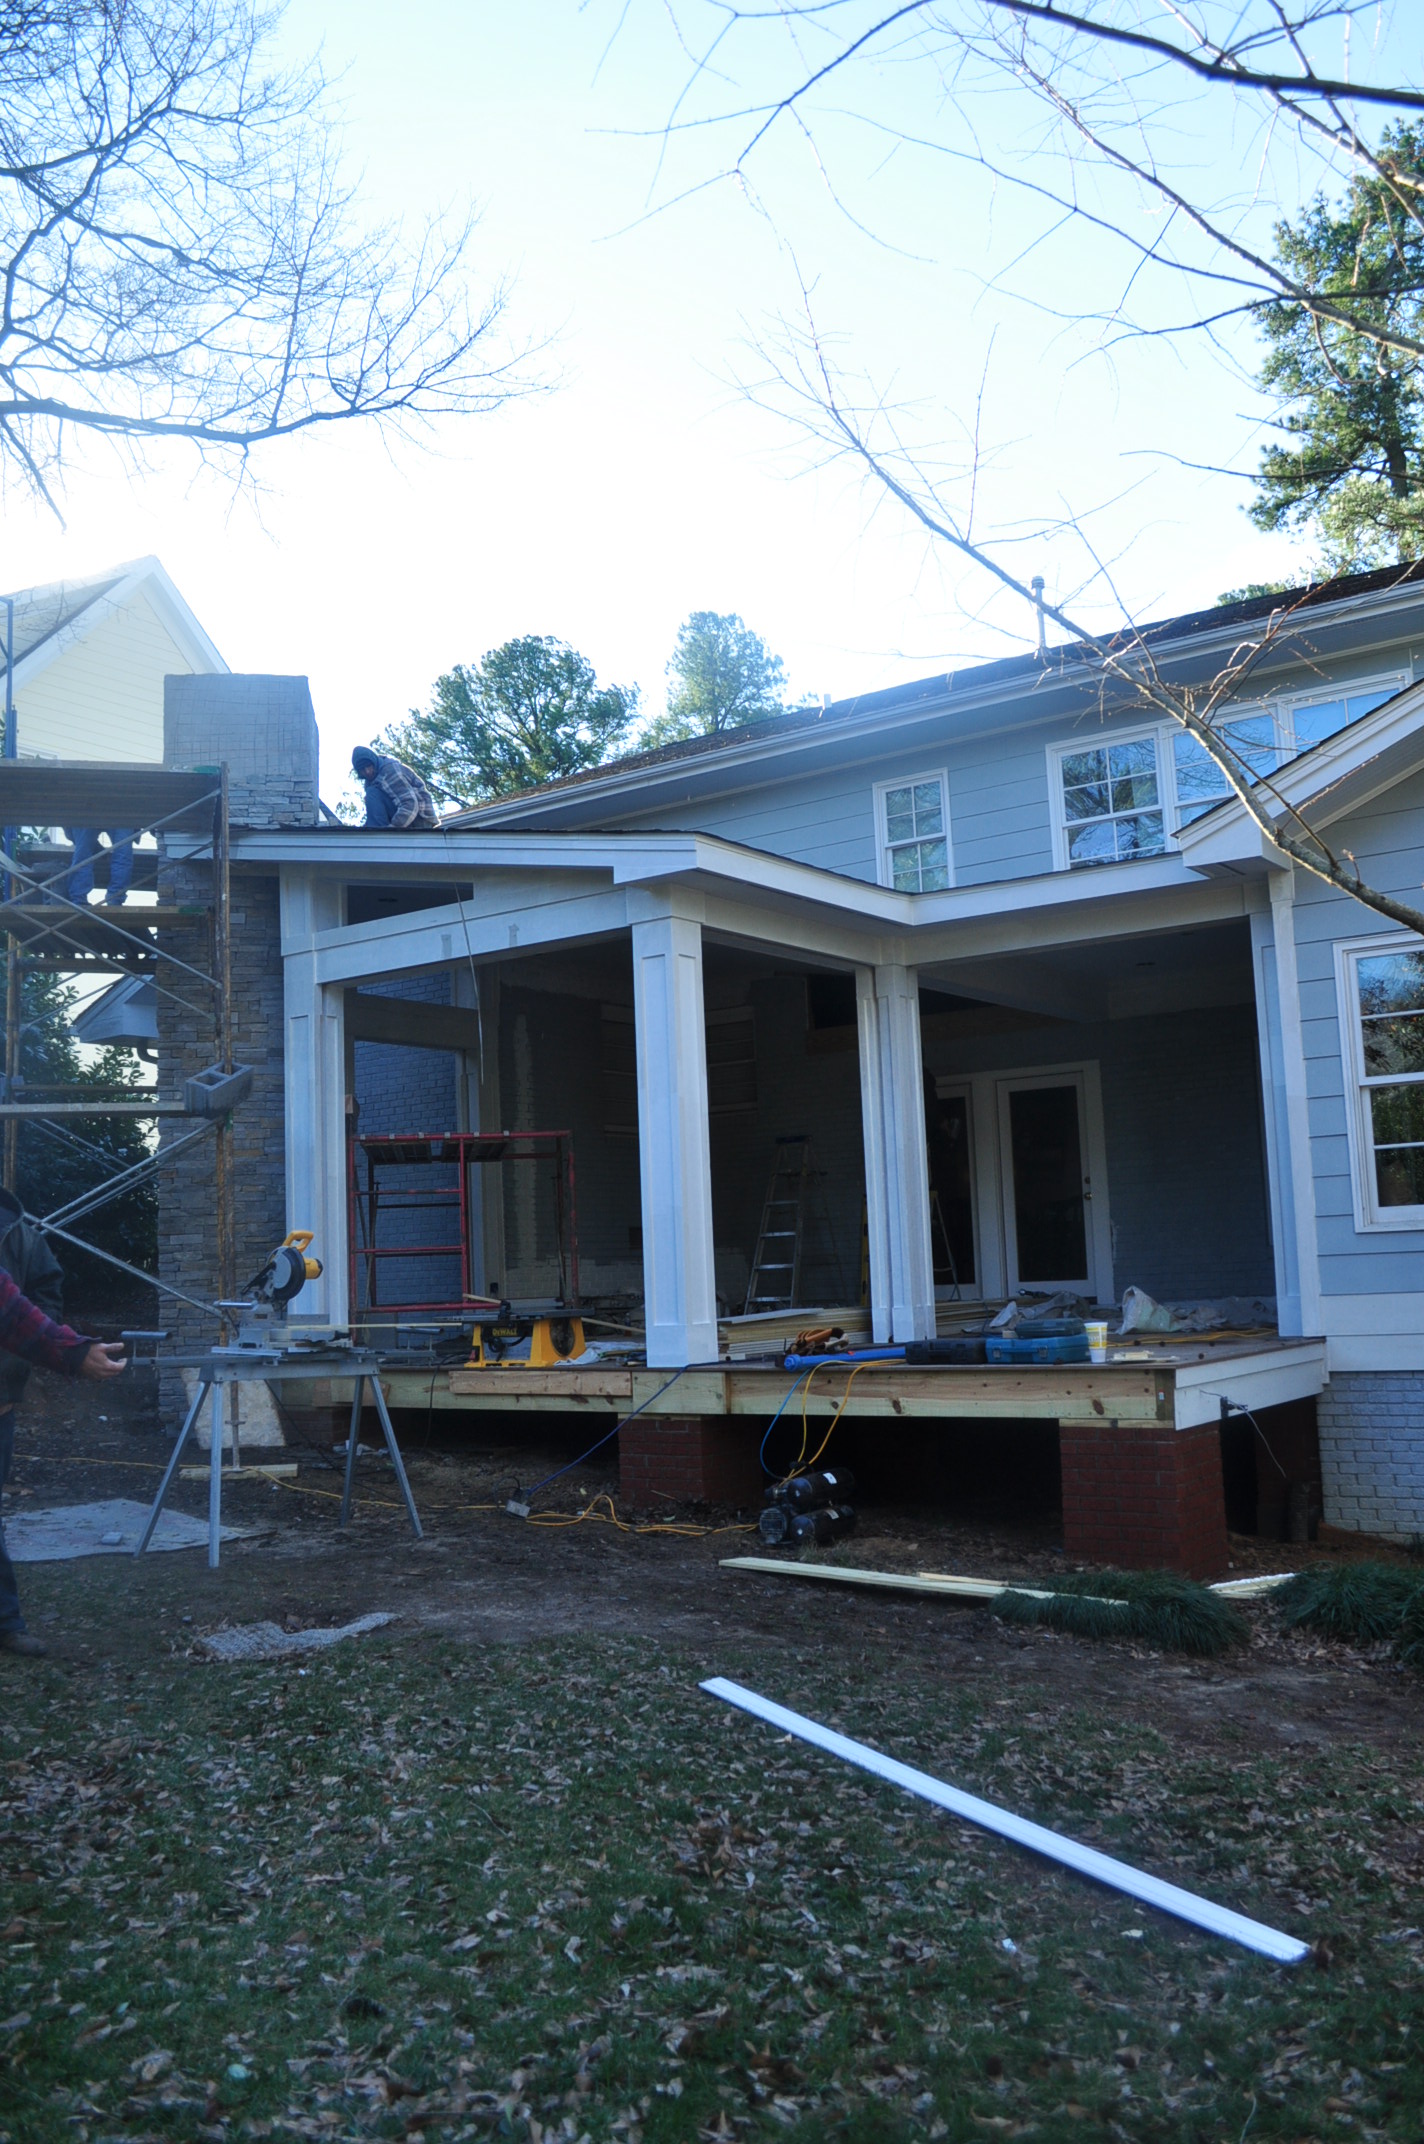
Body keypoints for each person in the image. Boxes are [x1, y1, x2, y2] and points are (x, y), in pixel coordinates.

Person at [0, 1241, 126, 1659]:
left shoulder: (19, 1231)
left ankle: (6, 1623)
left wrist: (61, 1349)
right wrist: (70, 1352)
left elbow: (15, 1310)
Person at [351, 746, 438, 830]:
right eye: (362, 769)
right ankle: (376, 832)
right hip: (406, 819)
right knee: (372, 794)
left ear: (373, 762)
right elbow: (375, 814)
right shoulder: (371, 781)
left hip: (419, 820)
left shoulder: (389, 771)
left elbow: (410, 804)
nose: (367, 771)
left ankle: (378, 834)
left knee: (372, 793)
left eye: (368, 766)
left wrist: (392, 830)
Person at [63, 827, 136, 905]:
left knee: (82, 856)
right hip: (122, 820)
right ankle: (115, 899)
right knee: (122, 857)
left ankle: (78, 899)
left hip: (86, 820)